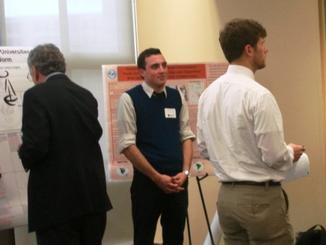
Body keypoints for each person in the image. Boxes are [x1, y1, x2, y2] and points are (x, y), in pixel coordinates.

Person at [197, 19, 305, 244]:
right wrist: (291, 152)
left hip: (226, 198)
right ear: (249, 49)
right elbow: (274, 156)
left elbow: (204, 148)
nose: (266, 49)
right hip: (260, 199)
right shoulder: (259, 96)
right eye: (262, 43)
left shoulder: (208, 95)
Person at [18, 43, 112, 245]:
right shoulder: (85, 94)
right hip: (92, 199)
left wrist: (22, 152)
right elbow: (95, 133)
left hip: (56, 206)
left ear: (35, 72)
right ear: (63, 66)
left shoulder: (35, 95)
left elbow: (36, 146)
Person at [117, 48, 195, 245]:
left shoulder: (177, 97)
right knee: (143, 238)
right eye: (155, 66)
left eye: (164, 65)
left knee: (175, 238)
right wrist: (156, 177)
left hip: (178, 183)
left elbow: (186, 136)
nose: (162, 70)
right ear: (141, 72)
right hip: (148, 184)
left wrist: (185, 172)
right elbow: (127, 145)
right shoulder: (130, 99)